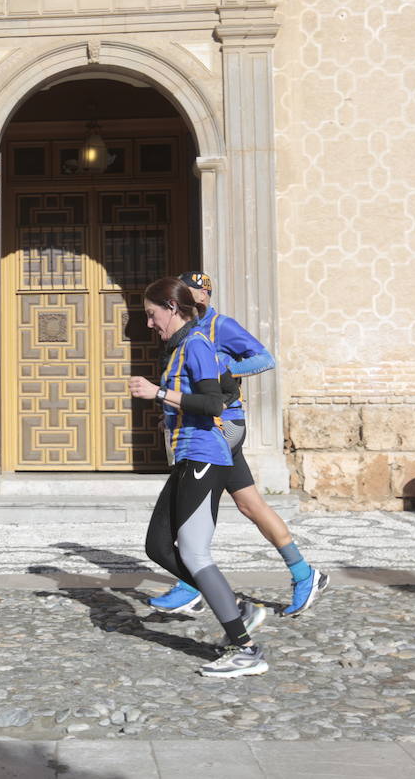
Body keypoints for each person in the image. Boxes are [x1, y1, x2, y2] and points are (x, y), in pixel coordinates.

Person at [149, 270, 328, 618]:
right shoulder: (185, 331)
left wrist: (224, 368)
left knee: (194, 502)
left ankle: (191, 586)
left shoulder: (220, 326)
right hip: (207, 423)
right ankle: (305, 573)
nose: (186, 298)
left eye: (190, 293)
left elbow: (265, 359)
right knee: (250, 505)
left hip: (223, 424)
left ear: (203, 295)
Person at [128, 277, 268, 678]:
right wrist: (170, 414)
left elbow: (212, 403)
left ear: (172, 308)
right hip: (187, 456)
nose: (149, 324)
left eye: (152, 314)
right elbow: (206, 395)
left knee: (194, 552)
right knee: (158, 546)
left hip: (205, 456)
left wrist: (159, 394)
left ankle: (246, 649)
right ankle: (237, 607)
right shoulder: (180, 348)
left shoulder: (196, 345)